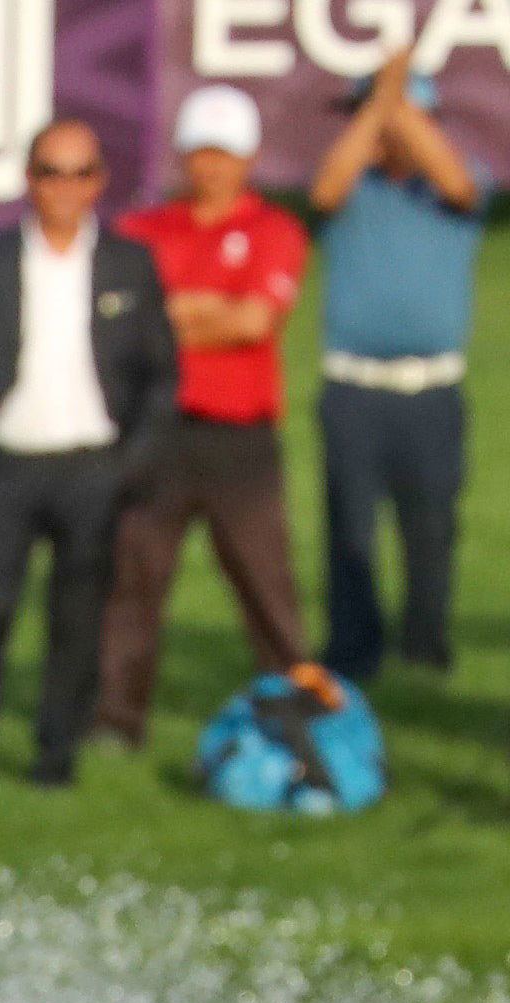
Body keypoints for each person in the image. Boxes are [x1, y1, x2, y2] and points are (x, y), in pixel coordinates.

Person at [0, 118, 176, 792]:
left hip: (91, 469)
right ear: (27, 179)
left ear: (99, 182)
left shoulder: (128, 264)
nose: (64, 187)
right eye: (49, 171)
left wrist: (130, 464)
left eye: (78, 172)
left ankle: (53, 759)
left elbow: (159, 374)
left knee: (77, 622)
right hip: (5, 467)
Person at [99, 83, 315, 748]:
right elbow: (115, 320)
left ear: (247, 158)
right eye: (199, 152)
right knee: (132, 581)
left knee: (264, 584)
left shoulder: (273, 230)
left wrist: (169, 312)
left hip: (237, 440)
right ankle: (113, 721)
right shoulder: (141, 230)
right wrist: (199, 310)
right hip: (154, 432)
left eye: (224, 153)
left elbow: (252, 321)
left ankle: (297, 717)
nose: (211, 166)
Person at [305, 64, 485, 683]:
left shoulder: (455, 188)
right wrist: (381, 102)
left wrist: (392, 103)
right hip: (353, 389)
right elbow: (325, 190)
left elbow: (455, 179)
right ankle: (354, 654)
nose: (370, 133)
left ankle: (425, 649)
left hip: (430, 392)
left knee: (431, 529)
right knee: (350, 531)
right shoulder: (352, 191)